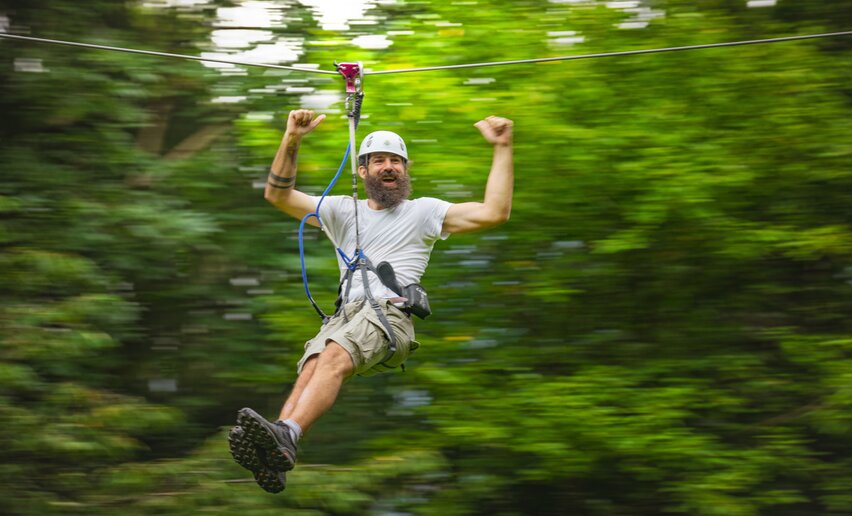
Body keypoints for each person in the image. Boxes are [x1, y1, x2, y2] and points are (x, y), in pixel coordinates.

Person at [228, 109, 514, 493]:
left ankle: (287, 435)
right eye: (379, 160)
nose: (388, 166)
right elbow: (276, 194)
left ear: (405, 170)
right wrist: (292, 138)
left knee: (330, 356)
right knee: (312, 366)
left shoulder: (424, 212)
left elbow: (495, 213)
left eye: (396, 161)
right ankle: (275, 454)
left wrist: (502, 147)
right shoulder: (342, 211)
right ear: (362, 171)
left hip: (388, 315)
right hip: (345, 315)